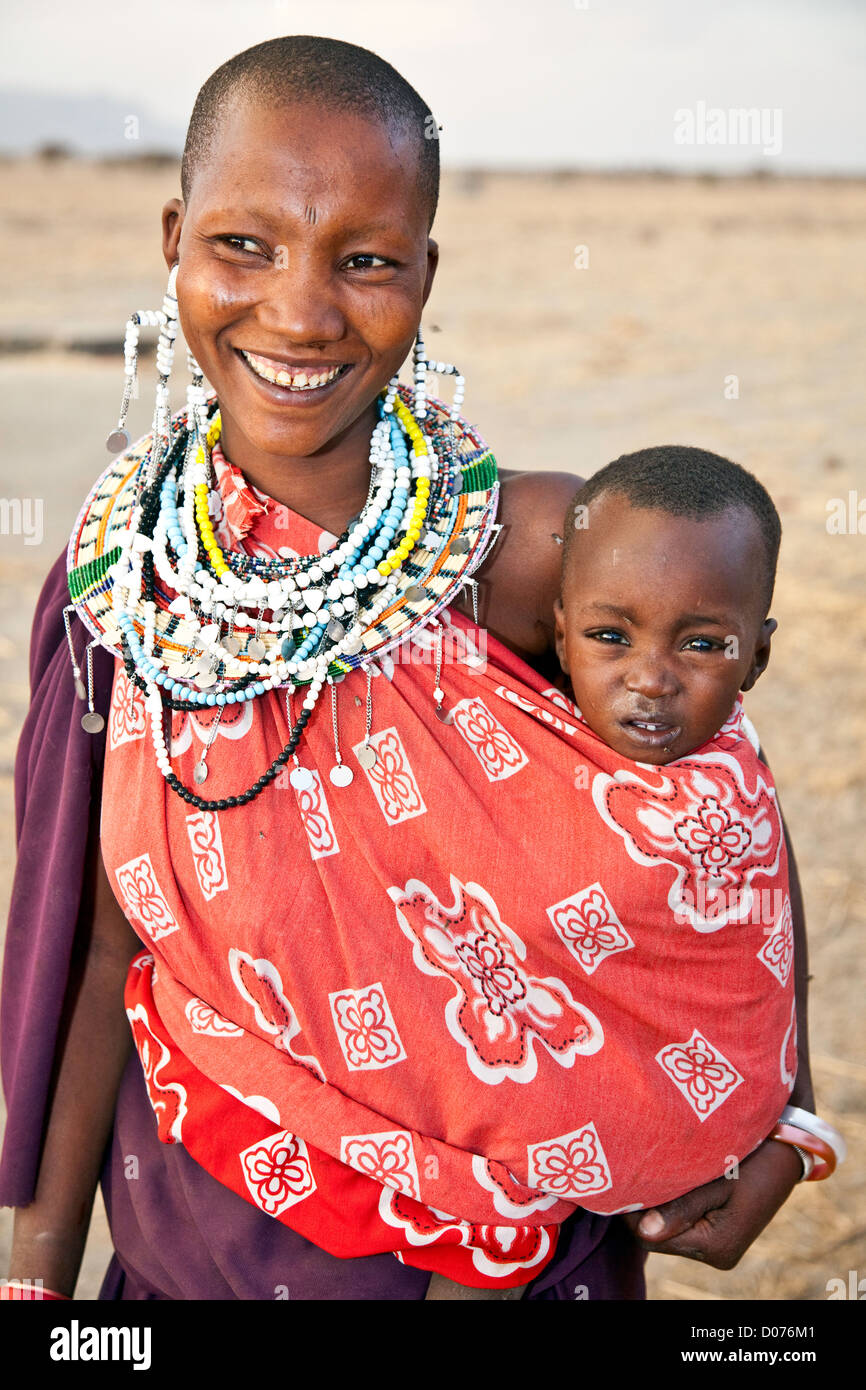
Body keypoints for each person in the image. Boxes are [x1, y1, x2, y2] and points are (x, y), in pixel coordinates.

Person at [0, 36, 825, 1302]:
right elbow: (105, 954)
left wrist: (785, 1110)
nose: (300, 311)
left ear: (426, 275)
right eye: (244, 245)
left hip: (519, 1266)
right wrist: (39, 1275)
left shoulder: (543, 552)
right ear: (172, 237)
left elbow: (726, 815)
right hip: (203, 1250)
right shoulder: (125, 584)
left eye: (367, 261)